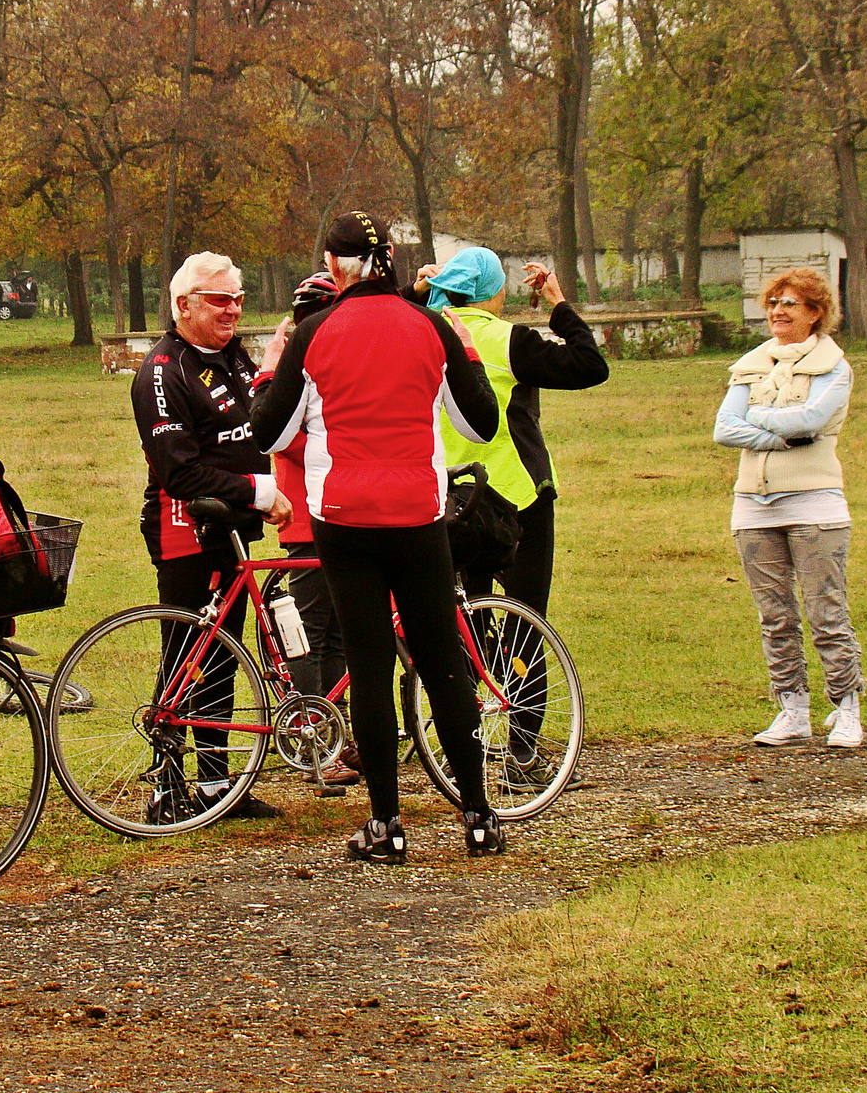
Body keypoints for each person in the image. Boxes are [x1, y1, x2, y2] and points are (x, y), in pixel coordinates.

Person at [251, 211, 505, 863]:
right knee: (443, 663)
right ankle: (478, 815)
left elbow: (270, 434)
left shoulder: (314, 333)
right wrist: (461, 356)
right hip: (419, 516)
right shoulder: (431, 326)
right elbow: (480, 424)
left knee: (369, 668)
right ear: (391, 255)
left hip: (344, 518)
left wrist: (275, 369)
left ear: (333, 266)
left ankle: (386, 825)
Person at [418, 248, 609, 788]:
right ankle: (524, 753)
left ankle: (466, 749)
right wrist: (558, 303)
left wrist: (418, 294)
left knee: (463, 624)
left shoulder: (426, 330)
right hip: (516, 499)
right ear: (494, 291)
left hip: (447, 499)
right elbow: (590, 366)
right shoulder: (507, 339)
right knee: (526, 623)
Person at [131, 251, 293, 820]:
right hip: (185, 526)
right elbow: (178, 470)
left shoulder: (231, 354)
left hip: (231, 526)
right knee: (186, 656)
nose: (233, 309)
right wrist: (258, 490)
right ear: (184, 304)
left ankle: (216, 785)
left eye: (238, 298)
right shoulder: (161, 371)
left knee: (225, 655)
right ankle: (166, 788)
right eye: (220, 299)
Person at [714, 267, 863, 749]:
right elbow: (724, 429)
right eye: (773, 302)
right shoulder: (751, 364)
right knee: (774, 615)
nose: (778, 311)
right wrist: (781, 434)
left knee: (826, 611)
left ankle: (845, 708)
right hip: (753, 507)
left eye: (790, 303)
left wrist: (754, 420)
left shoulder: (834, 367)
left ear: (816, 313)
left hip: (815, 505)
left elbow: (815, 419)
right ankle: (792, 709)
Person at [273, 271, 358, 786]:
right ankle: (317, 742)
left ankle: (336, 736)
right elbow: (282, 437)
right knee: (311, 637)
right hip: (308, 517)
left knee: (338, 637)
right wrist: (336, 446)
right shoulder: (296, 361)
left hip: (327, 513)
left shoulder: (312, 355)